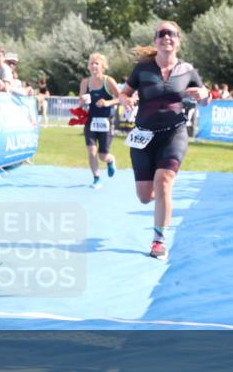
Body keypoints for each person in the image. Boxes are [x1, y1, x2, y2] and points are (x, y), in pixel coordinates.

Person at [119, 21, 207, 260]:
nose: (166, 37)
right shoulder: (142, 68)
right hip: (144, 137)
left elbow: (206, 98)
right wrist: (125, 100)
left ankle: (158, 240)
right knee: (145, 196)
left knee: (164, 181)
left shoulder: (187, 70)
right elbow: (124, 92)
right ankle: (160, 197)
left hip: (174, 134)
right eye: (161, 34)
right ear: (156, 40)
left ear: (178, 40)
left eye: (171, 34)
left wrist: (204, 94)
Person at [79, 53, 120, 189]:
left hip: (106, 121)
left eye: (97, 63)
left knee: (102, 155)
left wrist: (107, 103)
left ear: (103, 66)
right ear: (88, 66)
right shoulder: (85, 82)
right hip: (90, 120)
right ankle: (96, 179)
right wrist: (83, 101)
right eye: (91, 63)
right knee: (91, 151)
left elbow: (120, 98)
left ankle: (110, 160)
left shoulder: (108, 81)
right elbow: (81, 101)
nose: (94, 65)